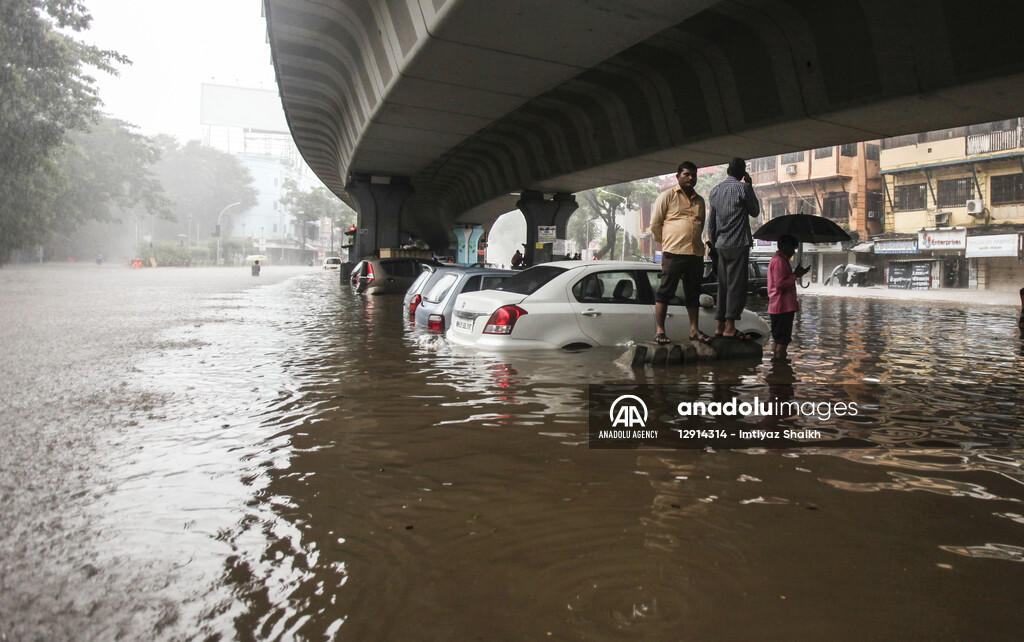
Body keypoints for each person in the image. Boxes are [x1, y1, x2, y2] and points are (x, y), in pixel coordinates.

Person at [650, 161, 711, 345]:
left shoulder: (700, 200)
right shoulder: (667, 196)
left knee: (693, 294)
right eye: (686, 174)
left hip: (695, 253)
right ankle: (660, 331)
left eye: (693, 175)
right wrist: (667, 242)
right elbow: (655, 225)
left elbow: (700, 225)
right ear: (678, 177)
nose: (691, 178)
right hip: (673, 252)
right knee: (665, 292)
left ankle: (694, 331)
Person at [708, 157, 760, 339]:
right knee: (736, 287)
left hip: (721, 245)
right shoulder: (743, 188)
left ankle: (719, 326)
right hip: (738, 244)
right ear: (743, 173)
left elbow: (711, 222)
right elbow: (755, 211)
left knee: (723, 286)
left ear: (728, 171)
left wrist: (713, 243)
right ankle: (730, 327)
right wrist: (750, 186)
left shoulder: (715, 191)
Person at [767, 235, 809, 361]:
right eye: (792, 248)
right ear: (785, 246)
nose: (793, 251)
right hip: (782, 307)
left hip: (780, 306)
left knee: (778, 340)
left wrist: (795, 274)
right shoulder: (779, 261)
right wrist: (795, 275)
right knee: (782, 341)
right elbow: (780, 284)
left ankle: (777, 365)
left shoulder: (780, 260)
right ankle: (780, 367)